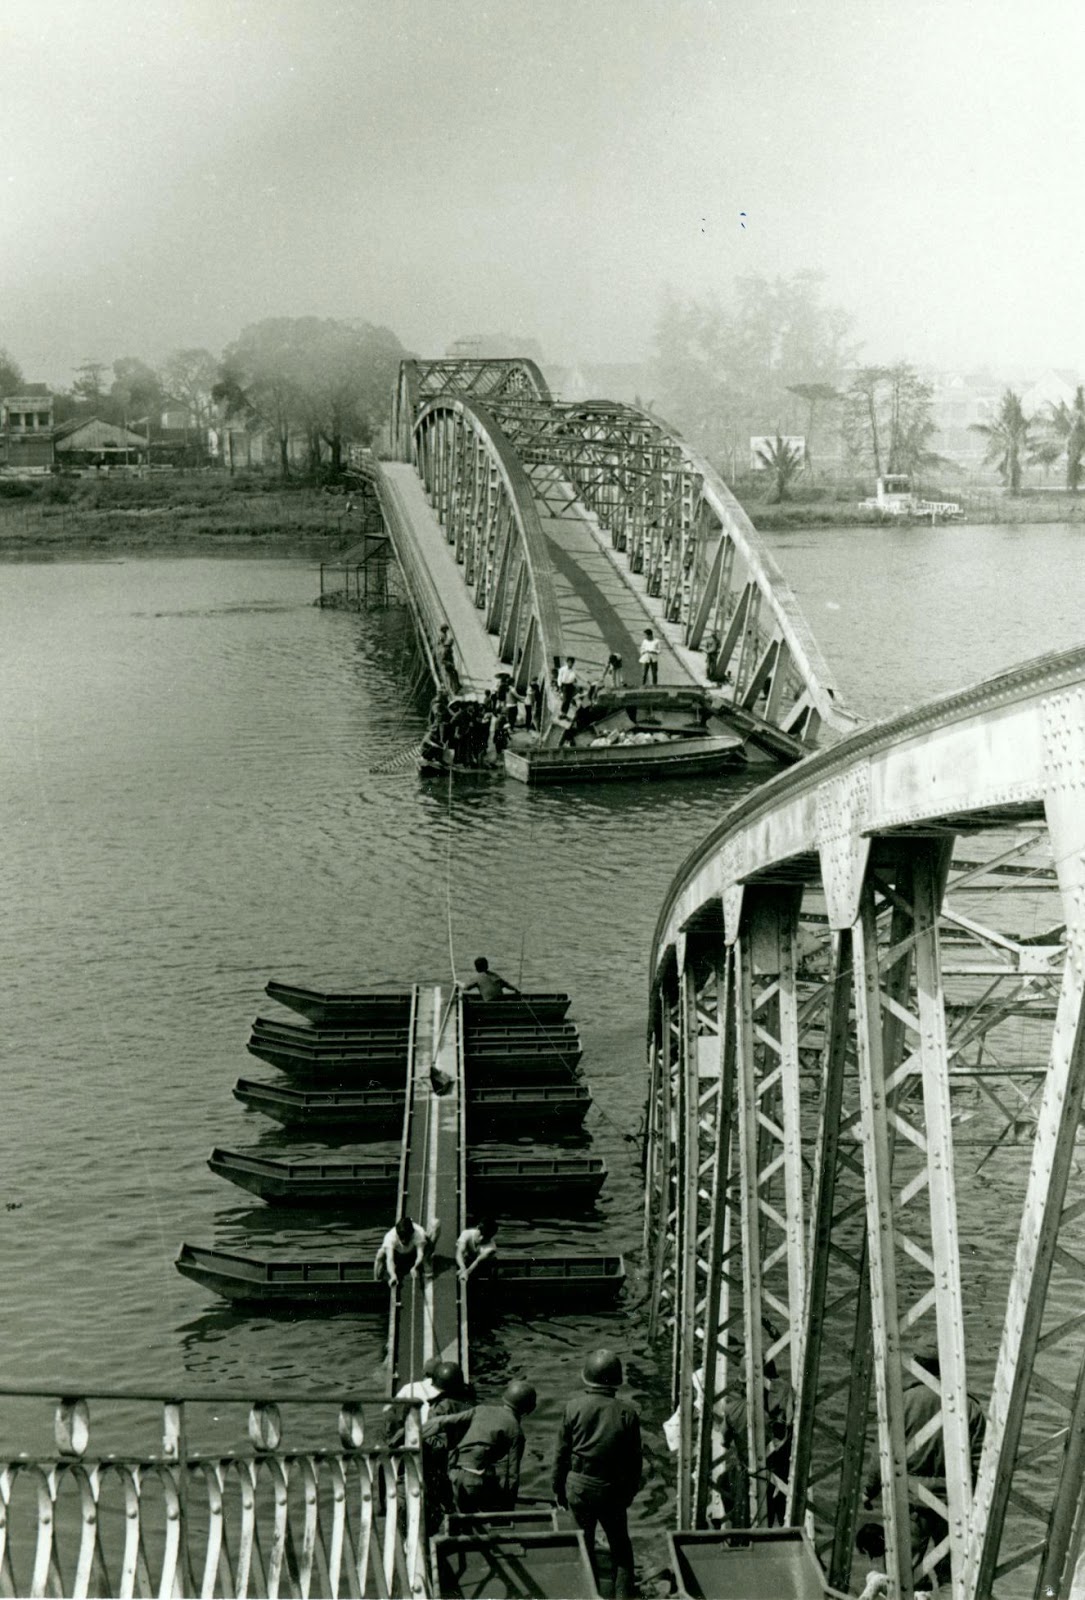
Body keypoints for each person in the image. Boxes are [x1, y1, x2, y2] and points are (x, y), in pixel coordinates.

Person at [861, 1353, 985, 1589]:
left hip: (910, 1501)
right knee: (955, 1574)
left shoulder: (902, 1401)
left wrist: (869, 1490)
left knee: (904, 1574)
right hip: (953, 1504)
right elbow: (980, 1461)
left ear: (917, 1367)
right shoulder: (969, 1406)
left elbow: (881, 1453)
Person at [553, 1349, 641, 1600]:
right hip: (612, 1489)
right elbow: (635, 1462)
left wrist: (558, 1488)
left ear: (586, 1378)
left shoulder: (573, 1408)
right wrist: (629, 1493)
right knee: (621, 1549)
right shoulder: (628, 1412)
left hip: (579, 1488)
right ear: (616, 1380)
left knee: (584, 1546)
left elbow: (561, 1454)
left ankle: (588, 1595)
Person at [424, 1379, 537, 1513]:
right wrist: (508, 1511)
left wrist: (414, 1431)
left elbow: (443, 1422)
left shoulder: (480, 1409)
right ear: (527, 1409)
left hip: (453, 1475)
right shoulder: (516, 1432)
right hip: (475, 1482)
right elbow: (512, 1477)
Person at [373, 1214, 439, 1283]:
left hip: (413, 1253)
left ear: (411, 1233)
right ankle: (376, 1280)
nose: (404, 1241)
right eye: (401, 1238)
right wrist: (393, 1276)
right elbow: (390, 1260)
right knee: (380, 1254)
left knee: (436, 1223)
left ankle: (426, 1260)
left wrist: (415, 1267)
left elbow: (420, 1255)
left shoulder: (419, 1233)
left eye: (406, 1237)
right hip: (399, 1256)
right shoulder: (390, 1237)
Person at [437, 623, 461, 694]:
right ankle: (454, 690)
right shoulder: (445, 648)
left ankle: (457, 686)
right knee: (452, 676)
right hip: (448, 665)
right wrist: (449, 663)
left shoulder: (448, 648)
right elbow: (443, 660)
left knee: (455, 673)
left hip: (449, 663)